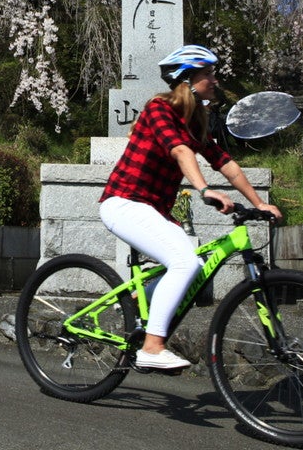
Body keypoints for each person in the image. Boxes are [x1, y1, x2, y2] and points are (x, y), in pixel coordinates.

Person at [99, 44, 283, 371]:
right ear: (187, 80)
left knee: (193, 264)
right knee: (184, 261)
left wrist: (259, 203)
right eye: (208, 74)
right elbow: (180, 151)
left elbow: (226, 164)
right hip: (124, 202)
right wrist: (204, 189)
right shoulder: (158, 108)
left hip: (152, 210)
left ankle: (139, 302)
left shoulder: (195, 123)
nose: (215, 80)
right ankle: (152, 347)